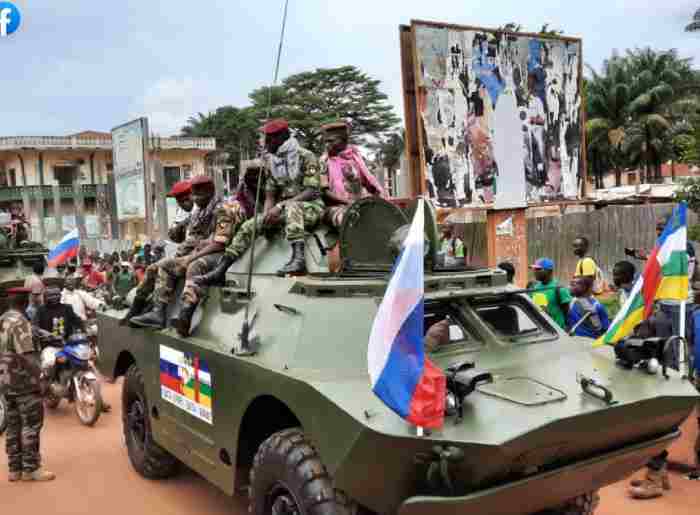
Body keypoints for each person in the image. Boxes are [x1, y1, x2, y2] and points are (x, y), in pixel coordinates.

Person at [197, 119, 324, 280]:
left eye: (269, 139)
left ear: (281, 138)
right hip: (285, 209)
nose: (265, 143)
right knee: (250, 225)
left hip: (310, 207)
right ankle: (222, 269)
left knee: (293, 207)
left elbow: (312, 191)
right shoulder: (274, 162)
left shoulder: (306, 156)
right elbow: (270, 194)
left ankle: (299, 259)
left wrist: (281, 206)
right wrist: (265, 217)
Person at [130, 175, 233, 334]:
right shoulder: (199, 212)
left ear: (210, 191)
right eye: (194, 194)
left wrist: (190, 257)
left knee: (193, 266)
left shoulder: (222, 209)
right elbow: (183, 238)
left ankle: (185, 317)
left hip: (219, 254)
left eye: (198, 194)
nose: (195, 198)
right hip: (199, 251)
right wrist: (178, 230)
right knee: (161, 266)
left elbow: (219, 243)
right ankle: (156, 313)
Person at [0, 287, 55, 482]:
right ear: (26, 300)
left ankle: (14, 469)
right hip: (23, 381)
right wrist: (41, 377)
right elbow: (28, 356)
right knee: (31, 424)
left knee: (13, 425)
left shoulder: (4, 318)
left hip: (5, 381)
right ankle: (31, 469)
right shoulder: (20, 322)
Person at [122, 180, 195, 324]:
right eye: (179, 202)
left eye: (184, 200)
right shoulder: (187, 215)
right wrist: (180, 225)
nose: (182, 204)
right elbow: (175, 237)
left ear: (190, 196)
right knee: (151, 268)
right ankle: (136, 308)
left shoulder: (201, 213)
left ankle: (158, 312)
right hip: (183, 255)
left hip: (195, 256)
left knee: (163, 267)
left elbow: (196, 242)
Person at [319, 120, 385, 229]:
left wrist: (378, 199)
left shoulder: (356, 158)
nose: (327, 145)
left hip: (359, 203)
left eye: (331, 141)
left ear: (343, 140)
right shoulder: (324, 161)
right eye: (325, 142)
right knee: (350, 218)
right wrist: (349, 203)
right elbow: (325, 192)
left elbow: (369, 184)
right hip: (336, 208)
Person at [528, 258, 571, 330]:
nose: (535, 272)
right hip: (541, 332)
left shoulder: (559, 288)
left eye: (538, 269)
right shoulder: (534, 288)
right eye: (534, 269)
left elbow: (567, 313)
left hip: (558, 333)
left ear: (549, 271)